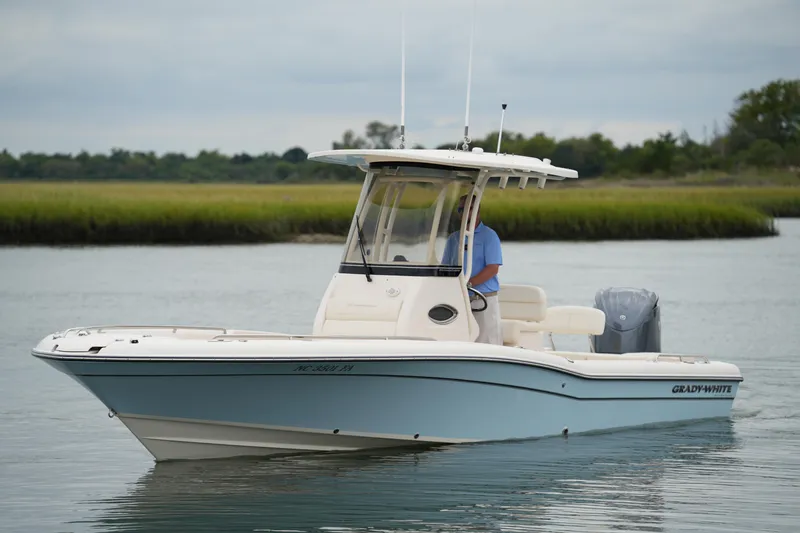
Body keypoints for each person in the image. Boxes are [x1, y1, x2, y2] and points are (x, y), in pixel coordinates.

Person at [442, 194, 503, 345]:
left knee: (487, 342)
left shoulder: (489, 236)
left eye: (467, 209)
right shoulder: (454, 238)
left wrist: (468, 283)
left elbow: (493, 268)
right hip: (459, 299)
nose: (463, 213)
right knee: (460, 341)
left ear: (476, 210)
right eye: (460, 209)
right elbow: (445, 267)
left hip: (483, 298)